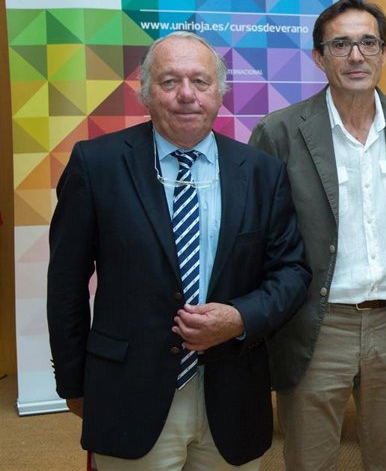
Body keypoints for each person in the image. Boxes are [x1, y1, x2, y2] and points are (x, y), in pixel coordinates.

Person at [47, 32, 311, 470]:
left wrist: (240, 318)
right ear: (146, 93)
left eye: (200, 81)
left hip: (232, 391)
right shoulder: (96, 165)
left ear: (219, 92)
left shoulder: (262, 172)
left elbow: (292, 272)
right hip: (130, 390)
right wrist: (73, 383)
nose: (187, 94)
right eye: (170, 81)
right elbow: (65, 284)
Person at [248, 0, 386, 471]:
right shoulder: (279, 132)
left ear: (384, 52)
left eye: (368, 42)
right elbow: (260, 237)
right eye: (341, 45)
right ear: (319, 57)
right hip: (314, 325)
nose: (356, 56)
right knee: (310, 462)